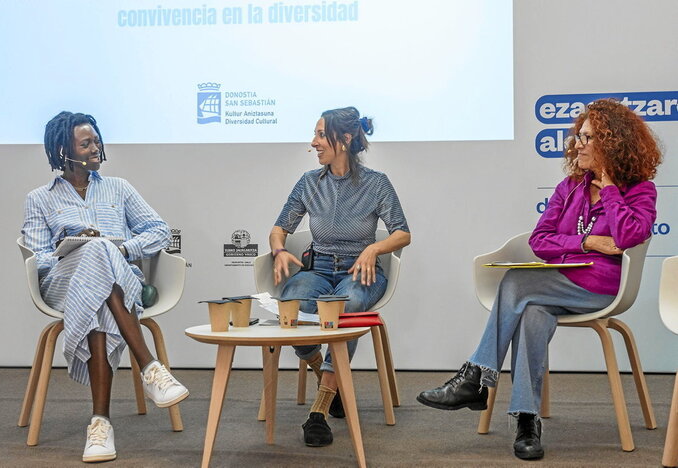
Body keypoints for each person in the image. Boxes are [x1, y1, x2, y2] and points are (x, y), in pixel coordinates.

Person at [416, 99, 662, 460]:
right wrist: (587, 242)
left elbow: (628, 236)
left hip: (603, 289)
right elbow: (540, 241)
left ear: (611, 143)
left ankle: (475, 377)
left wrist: (609, 189)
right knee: (532, 313)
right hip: (557, 286)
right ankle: (527, 420)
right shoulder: (569, 188)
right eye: (578, 136)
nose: (578, 144)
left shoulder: (640, 190)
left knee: (516, 284)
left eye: (588, 137)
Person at [21, 111, 189, 463]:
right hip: (63, 286)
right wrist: (71, 246)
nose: (96, 148)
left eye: (97, 140)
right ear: (64, 151)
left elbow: (158, 230)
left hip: (116, 283)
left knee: (99, 275)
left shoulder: (119, 188)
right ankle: (150, 367)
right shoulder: (40, 198)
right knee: (94, 253)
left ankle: (100, 423)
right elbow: (40, 260)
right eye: (86, 144)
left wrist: (122, 250)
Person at [271, 106, 411, 447]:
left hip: (358, 271)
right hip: (317, 268)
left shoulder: (376, 183)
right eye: (315, 135)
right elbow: (279, 228)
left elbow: (402, 233)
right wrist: (279, 250)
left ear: (345, 139)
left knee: (345, 310)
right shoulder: (309, 182)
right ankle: (328, 379)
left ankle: (318, 411)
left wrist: (373, 249)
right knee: (291, 308)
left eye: (321, 135)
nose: (313, 142)